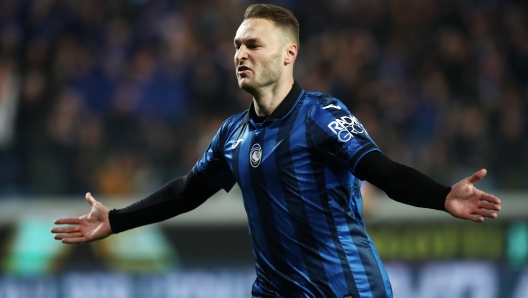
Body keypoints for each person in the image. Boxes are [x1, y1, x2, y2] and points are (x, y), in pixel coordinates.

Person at [51, 4, 501, 298]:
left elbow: (381, 170)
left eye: (252, 45)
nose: (239, 55)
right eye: (236, 46)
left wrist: (442, 196)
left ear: (289, 54)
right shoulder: (231, 134)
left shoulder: (321, 115)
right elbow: (187, 192)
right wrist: (116, 220)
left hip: (347, 291)